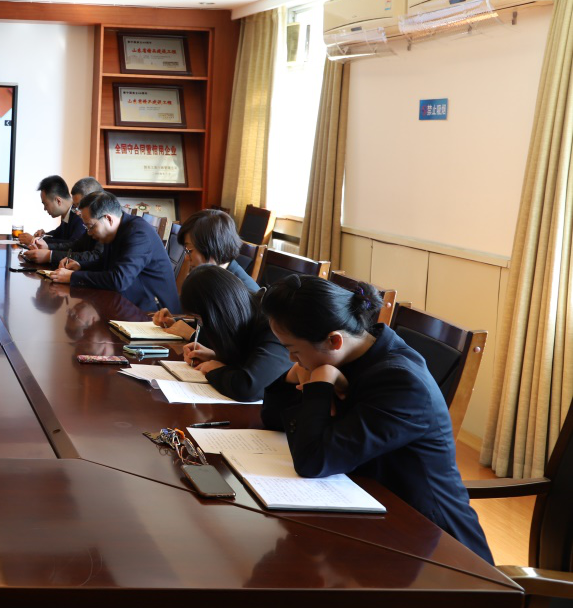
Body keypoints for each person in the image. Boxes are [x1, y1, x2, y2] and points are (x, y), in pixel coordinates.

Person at [260, 275, 492, 563]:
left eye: (293, 351)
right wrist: (297, 376)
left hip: (433, 546)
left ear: (334, 340)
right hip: (369, 512)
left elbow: (313, 461)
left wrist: (318, 385)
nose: (292, 360)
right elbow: (271, 418)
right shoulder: (347, 356)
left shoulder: (400, 381)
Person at [169, 264, 290, 402]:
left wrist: (215, 370)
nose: (202, 326)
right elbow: (250, 359)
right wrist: (216, 357)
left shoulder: (273, 324)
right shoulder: (246, 313)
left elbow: (248, 387)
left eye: (201, 319)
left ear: (218, 315)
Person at [51, 191, 181, 314]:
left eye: (90, 227)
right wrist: (80, 266)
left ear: (108, 219)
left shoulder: (138, 234)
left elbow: (119, 280)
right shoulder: (118, 230)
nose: (89, 233)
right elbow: (106, 263)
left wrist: (73, 277)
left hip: (156, 314)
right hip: (130, 304)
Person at [21, 177, 103, 266]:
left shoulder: (83, 220)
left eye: (79, 206)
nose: (77, 212)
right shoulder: (77, 217)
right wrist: (45, 243)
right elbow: (76, 245)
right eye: (75, 207)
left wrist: (49, 255)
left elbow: (94, 256)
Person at [177, 208, 259, 291]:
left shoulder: (238, 291)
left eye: (190, 250)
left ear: (211, 248)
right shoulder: (210, 275)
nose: (186, 258)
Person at [18, 175, 84, 250]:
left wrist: (34, 241)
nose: (44, 209)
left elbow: (72, 245)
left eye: (46, 204)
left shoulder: (79, 216)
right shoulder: (67, 214)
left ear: (58, 201)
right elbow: (57, 234)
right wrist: (43, 236)